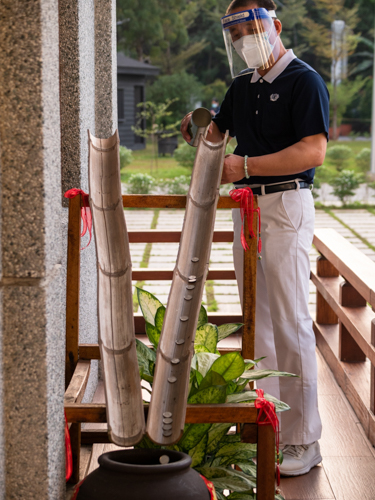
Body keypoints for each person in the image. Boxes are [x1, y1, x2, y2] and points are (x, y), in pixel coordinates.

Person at [181, 0, 329, 477]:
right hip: (246, 209)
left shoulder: (303, 79)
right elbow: (217, 133)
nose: (246, 39)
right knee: (257, 321)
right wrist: (198, 127)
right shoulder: (242, 85)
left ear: (275, 26)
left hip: (285, 204)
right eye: (237, 32)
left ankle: (305, 440)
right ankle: (270, 427)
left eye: (252, 28)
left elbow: (313, 150)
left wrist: (242, 166)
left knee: (289, 321)